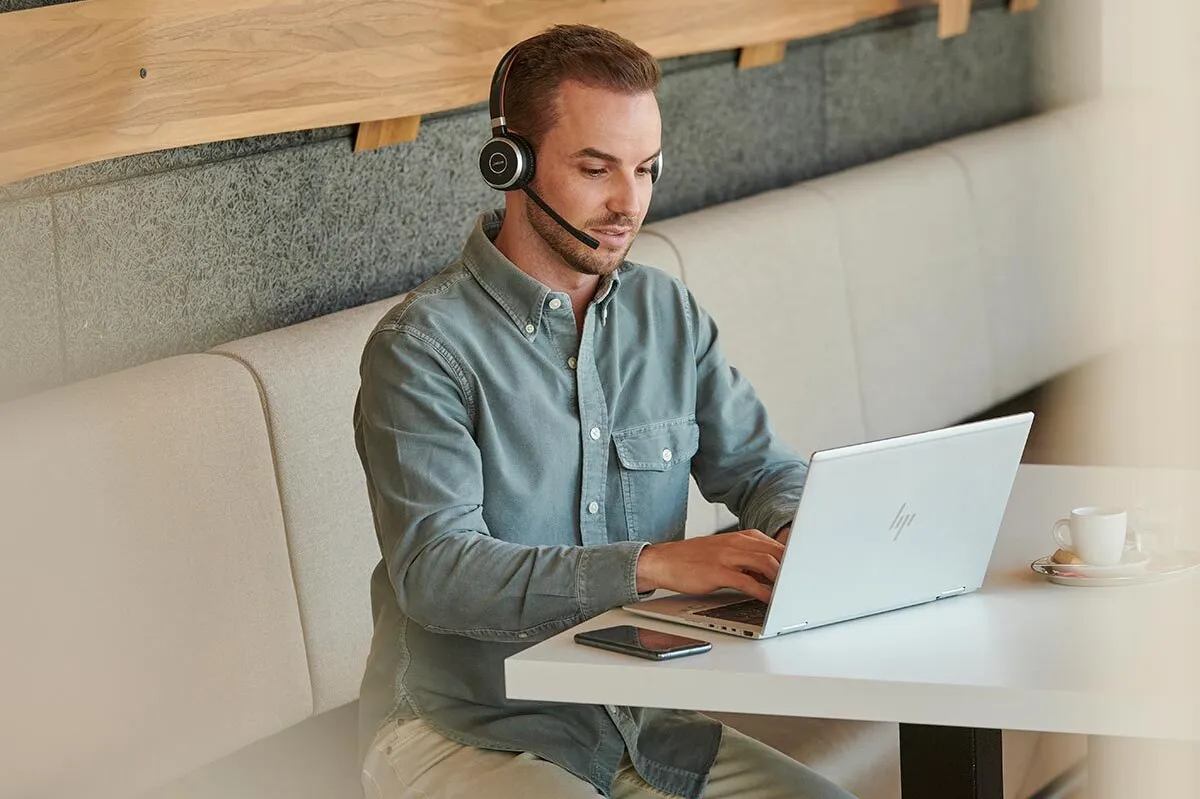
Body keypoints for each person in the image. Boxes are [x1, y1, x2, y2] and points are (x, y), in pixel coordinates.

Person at [353, 23, 857, 799]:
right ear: (509, 164)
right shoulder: (423, 346)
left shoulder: (668, 314)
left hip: (639, 720)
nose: (630, 203)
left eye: (646, 169)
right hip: (464, 727)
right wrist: (650, 565)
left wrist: (797, 534)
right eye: (596, 169)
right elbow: (438, 572)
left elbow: (759, 467)